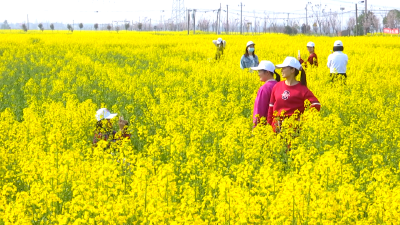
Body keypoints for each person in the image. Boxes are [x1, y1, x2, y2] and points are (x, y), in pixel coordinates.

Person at [268, 57, 321, 133]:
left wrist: (303, 119)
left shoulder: (302, 89)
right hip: (276, 128)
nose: (281, 70)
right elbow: (271, 108)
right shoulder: (277, 86)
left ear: (292, 70)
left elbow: (316, 104)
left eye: (284, 68)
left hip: (292, 130)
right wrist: (269, 126)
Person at [250, 60, 281, 127]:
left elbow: (260, 110)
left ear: (267, 72)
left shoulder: (264, 88)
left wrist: (255, 127)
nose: (258, 74)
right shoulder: (279, 85)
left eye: (259, 71)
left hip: (265, 127)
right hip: (276, 125)